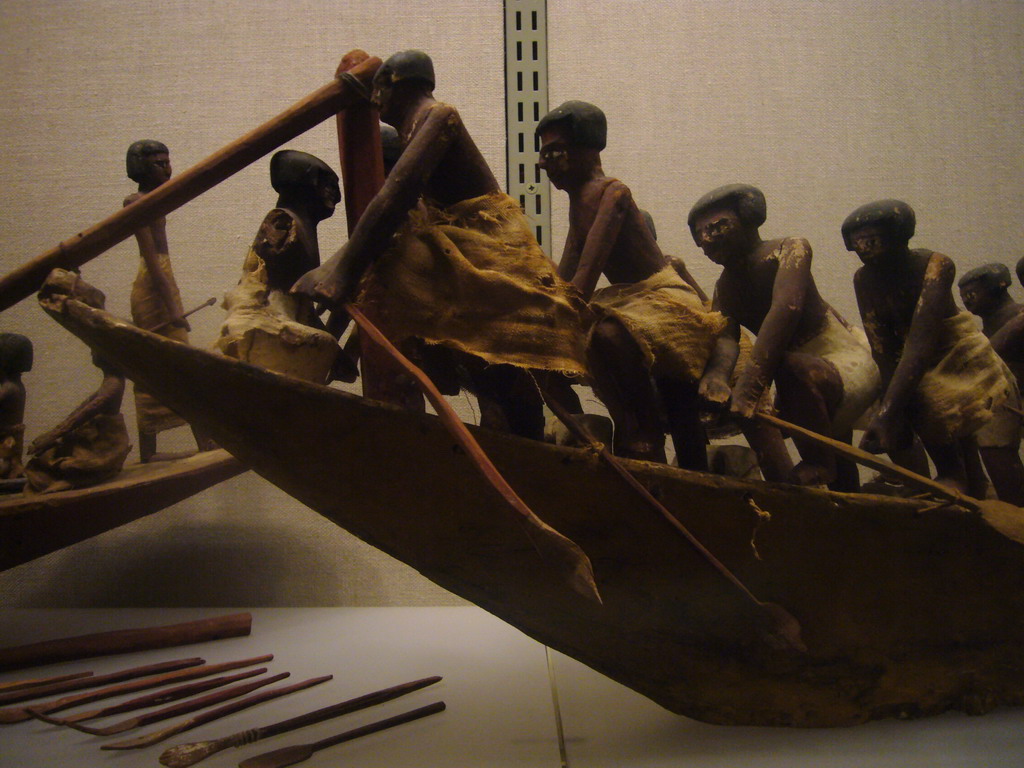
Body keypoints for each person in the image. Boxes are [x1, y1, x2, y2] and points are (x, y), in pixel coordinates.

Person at [292, 50, 589, 440]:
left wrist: (341, 270)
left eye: (380, 87)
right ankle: (341, 352)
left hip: (488, 239)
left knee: (396, 259)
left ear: (395, 84)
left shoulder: (437, 116)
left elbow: (397, 195)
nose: (375, 100)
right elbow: (393, 212)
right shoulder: (411, 129)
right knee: (396, 263)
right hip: (459, 239)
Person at [535, 101, 725, 466]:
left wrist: (561, 310)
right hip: (633, 301)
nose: (545, 164)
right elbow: (568, 281)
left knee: (605, 334)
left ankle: (643, 431)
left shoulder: (612, 193)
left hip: (664, 297)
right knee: (584, 330)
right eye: (544, 155)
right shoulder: (579, 204)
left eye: (554, 152)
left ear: (587, 149)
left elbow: (585, 278)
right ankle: (628, 424)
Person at [691, 184, 880, 490]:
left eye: (717, 226)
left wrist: (751, 385)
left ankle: (819, 463)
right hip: (796, 375)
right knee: (841, 466)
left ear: (749, 218)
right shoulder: (723, 288)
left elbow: (786, 308)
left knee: (791, 369)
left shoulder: (789, 249)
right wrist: (717, 377)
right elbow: (726, 338)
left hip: (842, 361)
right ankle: (848, 510)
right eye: (699, 234)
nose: (707, 239)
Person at [843, 200, 1013, 495]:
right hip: (907, 351)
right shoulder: (864, 279)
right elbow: (881, 344)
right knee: (897, 397)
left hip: (956, 348)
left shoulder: (935, 265)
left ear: (898, 235)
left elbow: (922, 343)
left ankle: (953, 474)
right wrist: (887, 405)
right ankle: (949, 480)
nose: (864, 249)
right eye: (857, 243)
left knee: (929, 395)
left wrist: (887, 413)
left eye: (872, 240)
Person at [218, 149, 352, 383]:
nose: (335, 194)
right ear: (303, 181)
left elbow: (300, 297)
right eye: (327, 184)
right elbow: (285, 291)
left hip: (288, 314)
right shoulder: (283, 221)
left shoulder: (300, 224)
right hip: (265, 318)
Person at [125, 140, 211, 461]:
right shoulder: (134, 201)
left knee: (174, 365)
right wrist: (174, 309)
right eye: (158, 163)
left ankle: (204, 443)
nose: (167, 168)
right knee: (161, 364)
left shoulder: (155, 198)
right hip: (153, 285)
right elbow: (151, 261)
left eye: (167, 162)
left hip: (164, 278)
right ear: (140, 166)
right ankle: (153, 451)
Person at [25, 270, 131, 494]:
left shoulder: (113, 384)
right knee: (51, 455)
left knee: (65, 464)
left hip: (104, 447)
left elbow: (83, 414)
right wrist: (55, 434)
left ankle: (74, 480)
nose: (92, 352)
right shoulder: (109, 381)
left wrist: (52, 435)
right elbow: (82, 409)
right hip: (92, 440)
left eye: (97, 348)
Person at [957, 263, 1024, 503]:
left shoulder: (1018, 317)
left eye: (972, 293)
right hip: (1004, 402)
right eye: (963, 295)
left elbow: (987, 356)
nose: (967, 300)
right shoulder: (984, 333)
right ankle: (1014, 509)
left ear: (1000, 285)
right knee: (990, 438)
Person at [0, 332, 32, 480]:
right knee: (10, 457)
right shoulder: (16, 385)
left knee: (8, 458)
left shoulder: (9, 387)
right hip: (10, 434)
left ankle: (13, 469)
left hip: (7, 435)